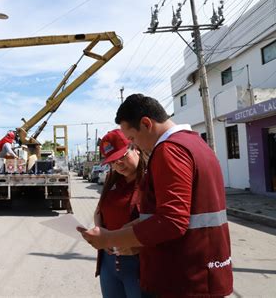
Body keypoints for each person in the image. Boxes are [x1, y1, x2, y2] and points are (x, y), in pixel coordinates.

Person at [78, 94, 233, 297]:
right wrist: (133, 229)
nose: (137, 146)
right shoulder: (195, 144)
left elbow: (172, 220)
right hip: (202, 273)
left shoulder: (169, 150)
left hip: (182, 279)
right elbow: (181, 214)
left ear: (146, 124)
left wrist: (111, 239)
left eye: (132, 139)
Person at [94, 129, 148, 298]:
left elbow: (162, 220)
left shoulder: (151, 180)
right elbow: (99, 210)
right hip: (109, 264)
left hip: (140, 263)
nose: (119, 164)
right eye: (113, 162)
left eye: (123, 156)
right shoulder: (112, 180)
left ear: (135, 147)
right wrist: (99, 232)